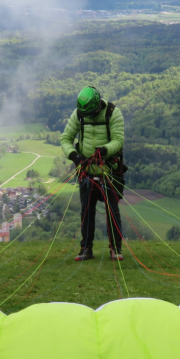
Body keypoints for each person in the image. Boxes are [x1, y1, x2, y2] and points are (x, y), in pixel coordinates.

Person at [60, 86, 126, 261]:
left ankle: (115, 249)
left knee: (112, 211)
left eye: (91, 114)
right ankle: (86, 249)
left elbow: (118, 140)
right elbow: (66, 138)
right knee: (86, 212)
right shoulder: (79, 114)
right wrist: (74, 157)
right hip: (86, 171)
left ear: (97, 105)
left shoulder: (113, 113)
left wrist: (104, 150)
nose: (88, 117)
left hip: (109, 170)